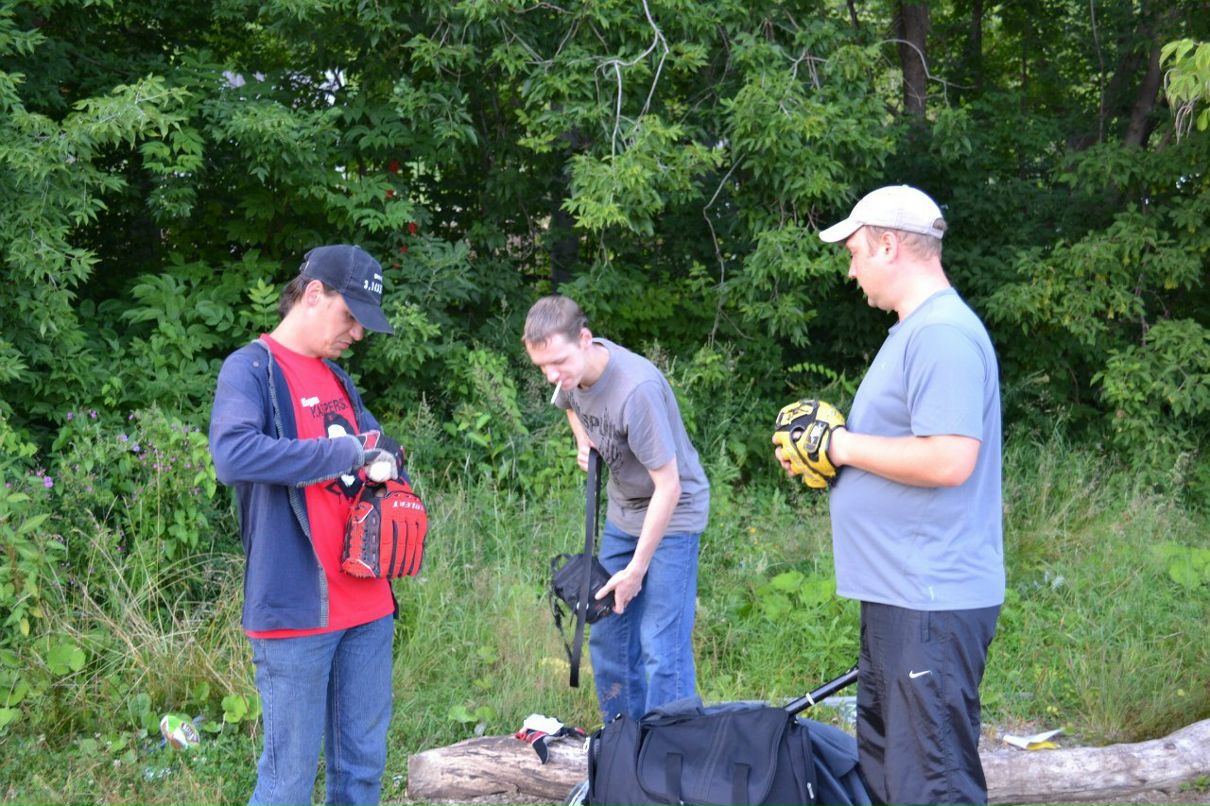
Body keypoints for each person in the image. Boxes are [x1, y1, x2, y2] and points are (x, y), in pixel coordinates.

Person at [775, 185, 1004, 806]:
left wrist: (842, 446)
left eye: (854, 252)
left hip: (929, 599)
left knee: (932, 783)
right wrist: (830, 461)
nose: (851, 270)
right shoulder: (913, 332)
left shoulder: (942, 335)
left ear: (887, 243)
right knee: (890, 776)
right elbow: (905, 450)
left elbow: (951, 458)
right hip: (900, 596)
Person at [209, 244, 408, 806]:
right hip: (296, 611)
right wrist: (345, 454)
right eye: (351, 318)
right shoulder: (252, 369)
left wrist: (393, 472)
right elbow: (234, 455)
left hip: (369, 606)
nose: (358, 334)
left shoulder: (340, 380)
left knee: (362, 772)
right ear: (314, 294)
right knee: (287, 783)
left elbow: (378, 449)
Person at [523, 295, 710, 723]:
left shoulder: (635, 390)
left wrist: (636, 571)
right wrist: (580, 439)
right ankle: (626, 747)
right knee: (607, 633)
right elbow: (569, 405)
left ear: (585, 339)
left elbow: (670, 485)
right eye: (542, 367)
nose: (552, 375)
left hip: (673, 515)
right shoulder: (573, 377)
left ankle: (671, 755)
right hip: (624, 514)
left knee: (661, 644)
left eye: (558, 363)